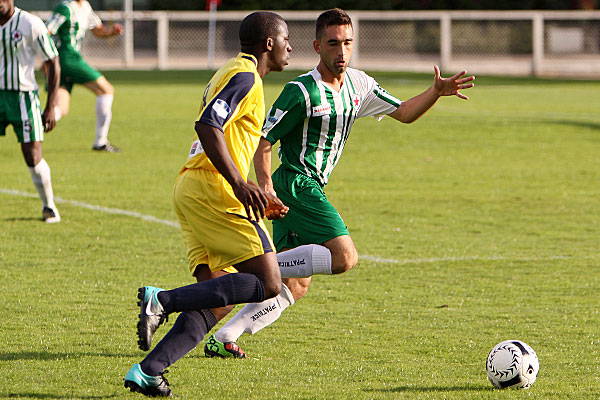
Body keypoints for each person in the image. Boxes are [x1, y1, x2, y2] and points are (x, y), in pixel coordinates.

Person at [204, 8, 475, 358]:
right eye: (333, 43)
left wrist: (436, 92)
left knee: (294, 287)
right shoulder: (300, 90)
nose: (342, 51)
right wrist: (267, 186)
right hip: (295, 184)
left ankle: (225, 335)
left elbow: (404, 113)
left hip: (309, 187)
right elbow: (264, 139)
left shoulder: (359, 85)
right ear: (318, 46)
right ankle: (259, 263)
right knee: (344, 257)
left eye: (348, 43)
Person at [123, 11, 293, 397]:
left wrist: (255, 190)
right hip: (213, 189)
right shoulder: (246, 76)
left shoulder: (233, 70)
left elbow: (222, 138)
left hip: (193, 187)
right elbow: (207, 125)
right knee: (269, 283)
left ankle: (149, 370)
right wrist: (238, 184)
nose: (289, 47)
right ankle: (161, 300)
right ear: (269, 43)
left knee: (218, 296)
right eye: (286, 39)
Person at [0, 0, 61, 223]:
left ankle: (49, 206)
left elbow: (53, 61)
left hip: (22, 97)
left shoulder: (30, 23)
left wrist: (51, 106)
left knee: (33, 157)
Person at [45, 0, 123, 152]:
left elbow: (97, 29)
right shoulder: (65, 8)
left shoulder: (85, 7)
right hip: (67, 57)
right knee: (106, 90)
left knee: (61, 108)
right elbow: (46, 32)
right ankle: (100, 141)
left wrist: (110, 32)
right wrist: (46, 57)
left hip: (64, 60)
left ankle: (32, 126)